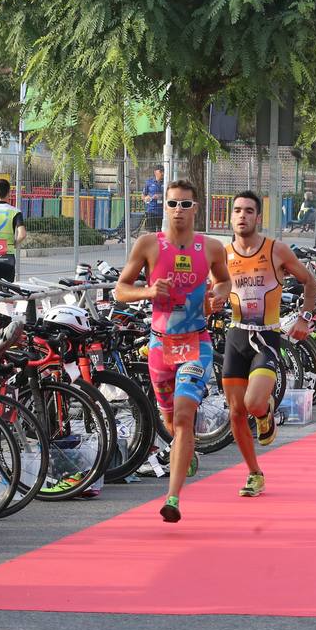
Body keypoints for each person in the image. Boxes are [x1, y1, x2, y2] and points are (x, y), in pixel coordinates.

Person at [116, 180, 230, 523]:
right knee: (169, 420)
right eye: (172, 204)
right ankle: (185, 451)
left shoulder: (210, 247)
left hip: (197, 342)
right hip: (160, 345)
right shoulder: (148, 244)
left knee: (183, 417)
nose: (178, 210)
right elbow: (121, 290)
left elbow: (224, 280)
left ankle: (173, 498)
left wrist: (219, 295)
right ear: (164, 207)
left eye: (185, 204)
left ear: (196, 208)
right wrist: (148, 292)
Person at [222, 190, 316, 497]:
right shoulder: (223, 255)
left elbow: (310, 281)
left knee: (252, 404)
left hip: (266, 337)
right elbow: (214, 290)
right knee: (236, 412)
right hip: (236, 336)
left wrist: (304, 317)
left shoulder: (276, 250)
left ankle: (264, 413)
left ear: (257, 217)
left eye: (248, 211)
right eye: (237, 210)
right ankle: (254, 473)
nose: (241, 215)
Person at [143, 166, 165, 234]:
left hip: (162, 212)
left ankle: (159, 244)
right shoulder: (149, 182)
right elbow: (143, 196)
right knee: (150, 232)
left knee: (161, 233)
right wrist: (147, 199)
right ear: (155, 172)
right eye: (160, 171)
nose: (163, 173)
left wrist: (161, 196)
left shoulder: (166, 182)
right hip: (151, 211)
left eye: (163, 171)